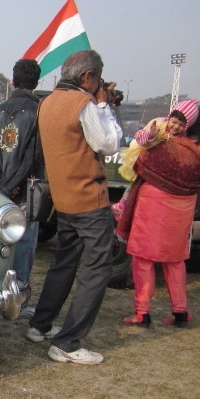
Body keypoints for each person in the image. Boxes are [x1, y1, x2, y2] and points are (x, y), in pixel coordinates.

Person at [27, 50, 122, 365]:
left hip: (64, 197)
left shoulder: (48, 102)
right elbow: (108, 144)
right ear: (88, 77)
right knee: (96, 269)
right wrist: (105, 105)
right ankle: (67, 342)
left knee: (64, 262)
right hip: (89, 199)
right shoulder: (85, 104)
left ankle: (40, 325)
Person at [116, 102, 200, 328]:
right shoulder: (196, 153)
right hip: (182, 210)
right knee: (175, 260)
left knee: (143, 258)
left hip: (152, 203)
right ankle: (180, 312)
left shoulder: (161, 145)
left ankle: (142, 313)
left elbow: (140, 164)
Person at [0, 59, 44, 319]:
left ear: (13, 81)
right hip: (27, 191)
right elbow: (33, 156)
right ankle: (19, 300)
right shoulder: (40, 113)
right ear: (36, 83)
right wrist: (14, 186)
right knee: (24, 245)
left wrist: (1, 186)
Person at [111, 99, 199, 221]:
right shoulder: (158, 125)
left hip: (160, 171)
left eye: (181, 125)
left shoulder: (182, 139)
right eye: (174, 122)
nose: (176, 126)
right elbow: (140, 139)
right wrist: (150, 135)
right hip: (145, 163)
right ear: (169, 117)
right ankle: (122, 207)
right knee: (134, 186)